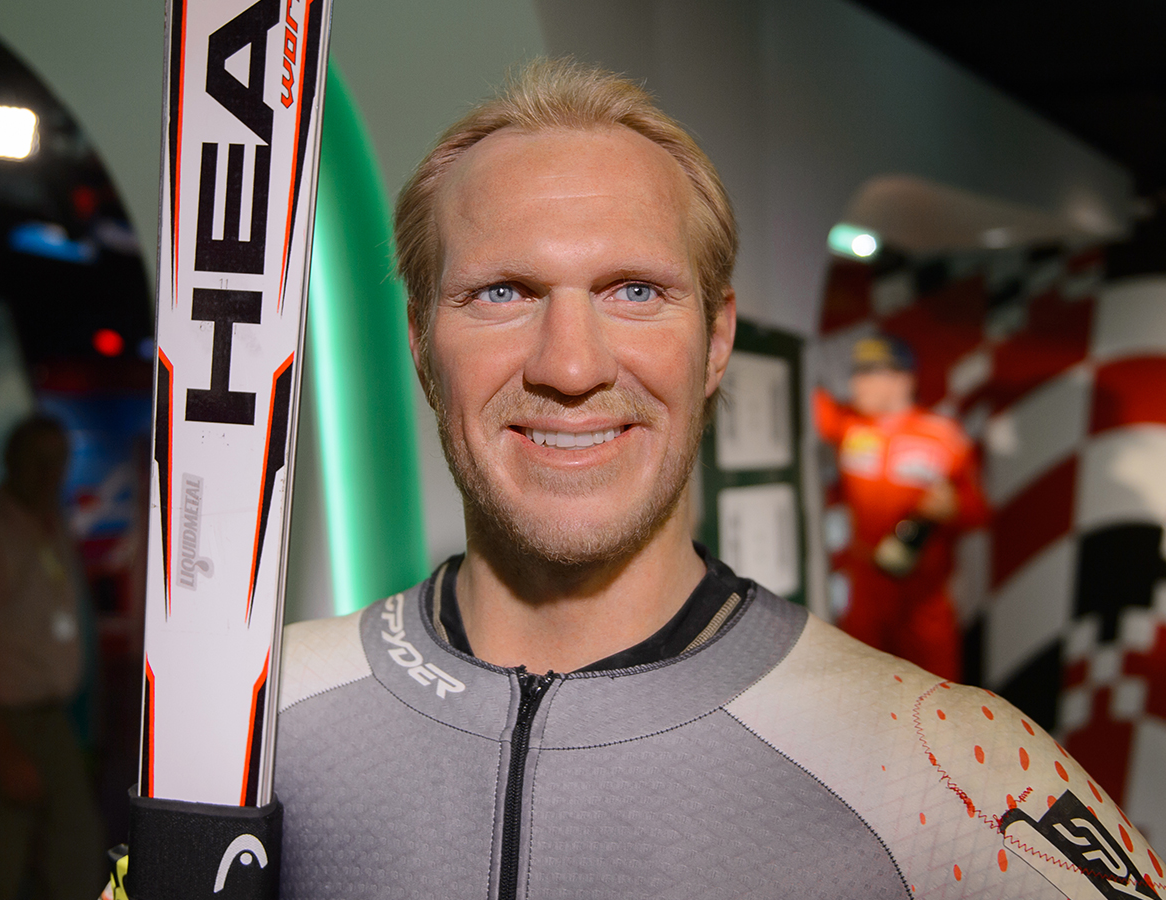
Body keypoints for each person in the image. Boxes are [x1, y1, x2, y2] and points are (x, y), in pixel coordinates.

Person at [274, 60, 1161, 898]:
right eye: (504, 292)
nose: (571, 367)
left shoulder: (940, 765)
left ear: (718, 340)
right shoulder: (263, 718)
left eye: (635, 291)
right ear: (421, 343)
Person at [0, 414, 104, 900]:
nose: (51, 473)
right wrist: (1, 746)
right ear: (11, 461)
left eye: (59, 461)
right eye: (38, 461)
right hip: (3, 721)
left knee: (75, 848)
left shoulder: (50, 522)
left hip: (51, 718)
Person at [813, 335, 988, 682]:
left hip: (923, 595)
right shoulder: (850, 425)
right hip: (865, 588)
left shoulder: (943, 435)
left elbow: (979, 512)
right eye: (856, 373)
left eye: (869, 373)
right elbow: (808, 396)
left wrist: (952, 508)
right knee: (865, 685)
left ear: (902, 379)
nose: (856, 383)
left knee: (934, 691)